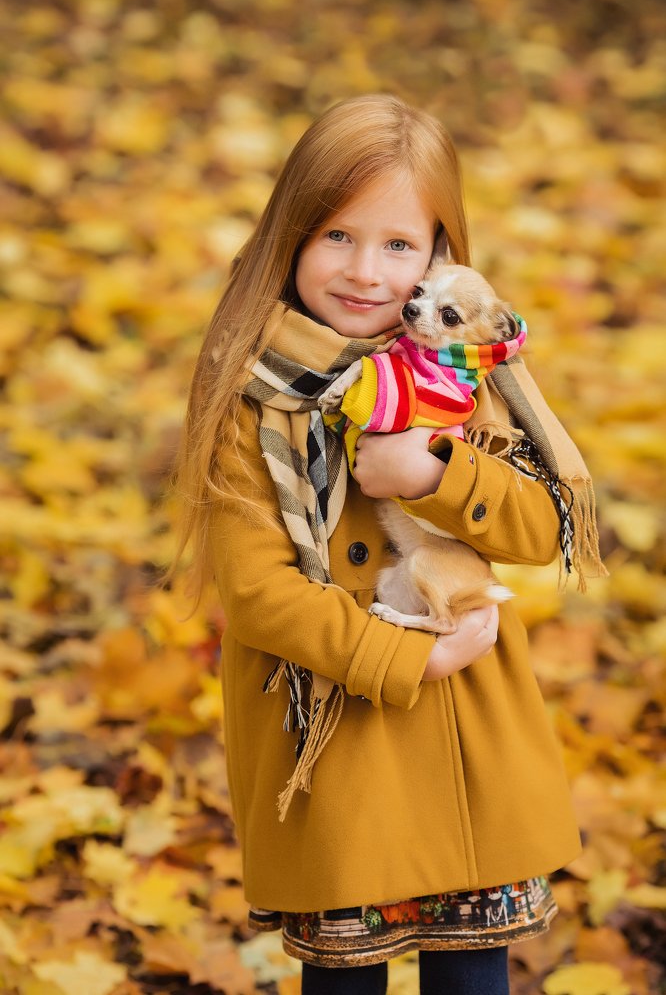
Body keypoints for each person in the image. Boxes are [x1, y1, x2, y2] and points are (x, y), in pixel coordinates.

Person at [171, 94, 606, 995]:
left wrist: (437, 473)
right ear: (290, 237)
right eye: (337, 236)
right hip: (337, 735)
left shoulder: (466, 371)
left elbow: (541, 525)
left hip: (468, 742)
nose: (367, 271)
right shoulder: (250, 392)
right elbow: (257, 594)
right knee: (346, 976)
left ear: (441, 253)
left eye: (399, 245)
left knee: (472, 973)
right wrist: (410, 657)